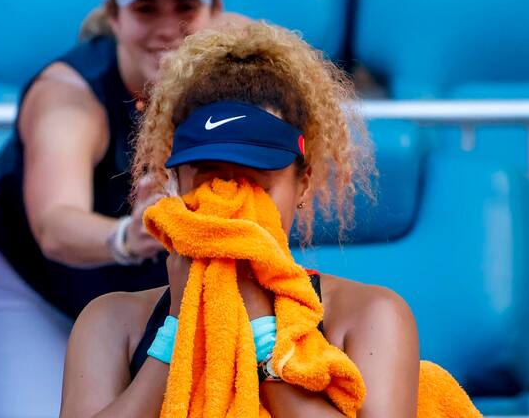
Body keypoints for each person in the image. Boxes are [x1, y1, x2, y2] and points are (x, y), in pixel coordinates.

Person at [60, 22, 426, 417]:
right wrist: (177, 329)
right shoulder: (109, 322)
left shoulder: (372, 315)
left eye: (255, 184)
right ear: (176, 183)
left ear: (302, 184)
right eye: (210, 179)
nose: (232, 203)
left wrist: (260, 326)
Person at [0, 0, 235, 415]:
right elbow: (56, 226)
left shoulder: (250, 67)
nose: (168, 27)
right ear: (114, 15)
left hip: (154, 294)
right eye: (146, 8)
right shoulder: (69, 97)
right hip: (29, 289)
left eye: (185, 7)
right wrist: (131, 235)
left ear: (216, 9)